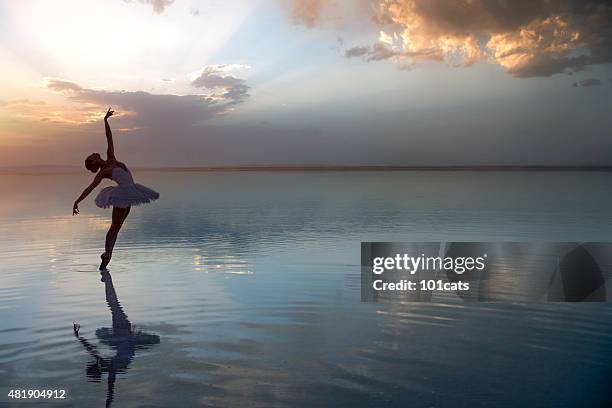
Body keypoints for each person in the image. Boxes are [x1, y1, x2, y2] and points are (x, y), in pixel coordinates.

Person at [73, 108, 159, 269]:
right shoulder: (103, 173)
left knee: (117, 227)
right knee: (114, 227)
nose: (93, 153)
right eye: (91, 156)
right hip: (123, 195)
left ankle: (107, 256)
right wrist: (77, 201)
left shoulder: (111, 157)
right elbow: (89, 188)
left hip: (129, 193)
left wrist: (105, 121)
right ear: (93, 163)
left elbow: (109, 138)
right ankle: (106, 254)